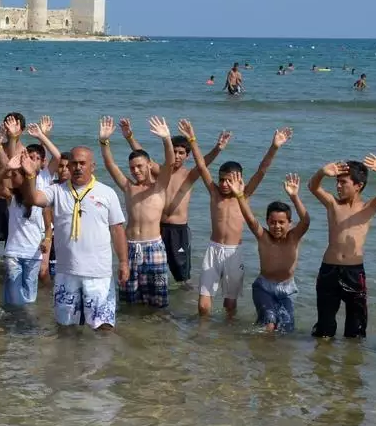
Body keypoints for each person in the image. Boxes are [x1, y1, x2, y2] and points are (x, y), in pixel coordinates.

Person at [15, 147, 127, 329]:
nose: (77, 167)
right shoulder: (57, 191)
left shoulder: (107, 193)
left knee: (103, 327)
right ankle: (69, 358)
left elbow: (117, 229)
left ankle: (99, 358)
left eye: (82, 163)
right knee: (65, 327)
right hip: (66, 272)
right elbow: (33, 198)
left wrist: (123, 262)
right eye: (74, 163)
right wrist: (29, 176)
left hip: (98, 273)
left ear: (92, 166)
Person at [187, 123, 291, 318]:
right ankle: (201, 335)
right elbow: (201, 166)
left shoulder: (244, 195)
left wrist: (274, 147)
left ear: (239, 180)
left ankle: (227, 336)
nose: (225, 184)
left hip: (234, 253)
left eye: (230, 180)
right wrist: (193, 139)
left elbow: (261, 171)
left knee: (229, 304)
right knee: (203, 306)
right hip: (213, 249)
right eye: (222, 179)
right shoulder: (214, 193)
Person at [120, 118, 228, 287]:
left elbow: (203, 164)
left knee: (181, 273)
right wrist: (129, 137)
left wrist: (218, 149)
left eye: (181, 153)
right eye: (175, 152)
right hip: (158, 228)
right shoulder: (160, 171)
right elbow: (141, 156)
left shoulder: (189, 175)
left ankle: (183, 303)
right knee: (156, 268)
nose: (177, 156)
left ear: (187, 155)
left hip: (178, 229)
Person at [306, 155, 376, 339]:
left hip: (354, 273)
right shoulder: (332, 204)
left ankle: (350, 365)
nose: (338, 186)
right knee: (325, 326)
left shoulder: (368, 208)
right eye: (337, 182)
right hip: (329, 270)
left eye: (343, 183)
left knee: (355, 329)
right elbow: (312, 187)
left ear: (358, 185)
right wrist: (323, 172)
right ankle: (322, 364)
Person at [99, 116, 175, 307]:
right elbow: (111, 166)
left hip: (154, 248)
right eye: (132, 168)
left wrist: (166, 139)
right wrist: (104, 141)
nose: (136, 171)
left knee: (158, 301)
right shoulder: (128, 187)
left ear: (149, 165)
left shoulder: (159, 187)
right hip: (130, 247)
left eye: (140, 166)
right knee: (128, 300)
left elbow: (170, 163)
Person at [230, 173, 310, 332]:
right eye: (272, 222)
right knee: (269, 322)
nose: (277, 226)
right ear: (267, 222)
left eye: (281, 222)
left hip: (288, 289)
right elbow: (250, 219)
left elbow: (306, 220)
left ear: (289, 223)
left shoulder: (293, 237)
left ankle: (273, 353)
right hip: (263, 287)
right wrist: (239, 195)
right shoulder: (263, 236)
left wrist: (294, 197)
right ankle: (261, 351)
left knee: (286, 328)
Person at [0, 144, 50, 306]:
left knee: (30, 298)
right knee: (14, 298)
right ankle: (12, 325)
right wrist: (7, 168)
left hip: (34, 254)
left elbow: (48, 223)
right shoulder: (12, 196)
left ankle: (25, 328)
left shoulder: (41, 195)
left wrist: (47, 239)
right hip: (14, 253)